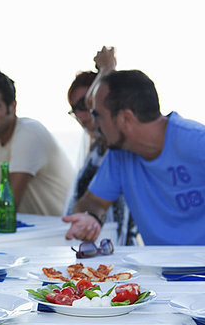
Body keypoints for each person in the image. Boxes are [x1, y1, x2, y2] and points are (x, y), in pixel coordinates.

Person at [63, 68, 205, 245]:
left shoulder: (198, 143)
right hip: (159, 270)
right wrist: (91, 217)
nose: (95, 124)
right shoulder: (119, 155)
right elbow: (92, 201)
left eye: (98, 115)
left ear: (125, 118)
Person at [0, 71, 74, 216]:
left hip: (64, 230)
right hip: (32, 230)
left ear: (12, 106)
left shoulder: (29, 132)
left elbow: (9, 203)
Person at [64, 48, 138, 245]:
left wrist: (107, 68)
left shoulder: (120, 147)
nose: (81, 114)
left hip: (118, 249)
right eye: (75, 109)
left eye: (85, 105)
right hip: (96, 247)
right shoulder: (97, 149)